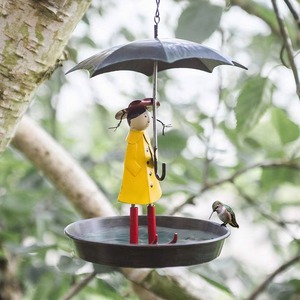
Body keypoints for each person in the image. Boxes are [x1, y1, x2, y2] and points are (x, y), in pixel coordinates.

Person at [115, 98, 161, 244]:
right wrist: (138, 171)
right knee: (135, 205)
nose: (148, 120)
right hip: (137, 179)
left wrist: (154, 158)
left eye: (148, 116)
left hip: (148, 177)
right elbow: (130, 161)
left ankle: (152, 238)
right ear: (132, 122)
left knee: (150, 203)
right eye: (144, 117)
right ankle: (134, 240)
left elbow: (147, 151)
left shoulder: (144, 135)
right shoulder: (132, 140)